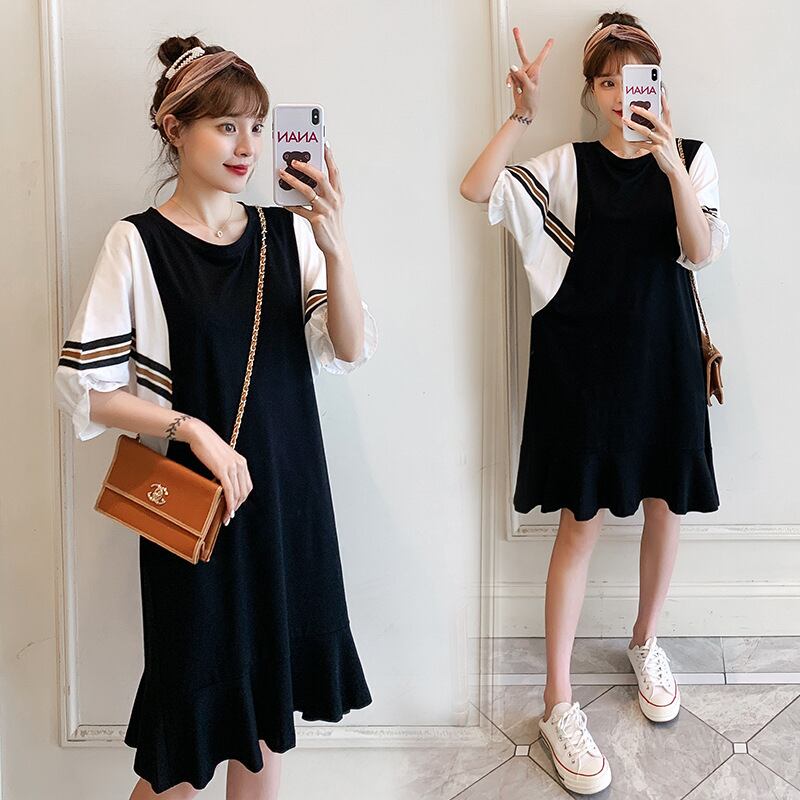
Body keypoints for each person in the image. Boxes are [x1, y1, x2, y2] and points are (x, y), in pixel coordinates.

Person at [53, 34, 377, 799]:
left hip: (285, 504)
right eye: (226, 125)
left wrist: (335, 245)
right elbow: (85, 390)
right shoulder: (137, 243)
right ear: (175, 128)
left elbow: (349, 348)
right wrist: (191, 429)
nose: (248, 146)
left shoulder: (287, 232)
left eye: (256, 126)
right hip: (194, 516)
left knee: (263, 731)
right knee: (182, 747)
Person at [460, 11, 729, 796]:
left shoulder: (694, 159)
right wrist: (520, 113)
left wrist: (670, 165)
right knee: (581, 524)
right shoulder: (567, 166)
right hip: (586, 372)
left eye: (634, 79)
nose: (620, 95)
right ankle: (558, 700)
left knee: (666, 506)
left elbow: (699, 252)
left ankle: (646, 640)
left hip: (665, 365)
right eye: (606, 81)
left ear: (658, 86)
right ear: (589, 93)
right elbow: (477, 188)